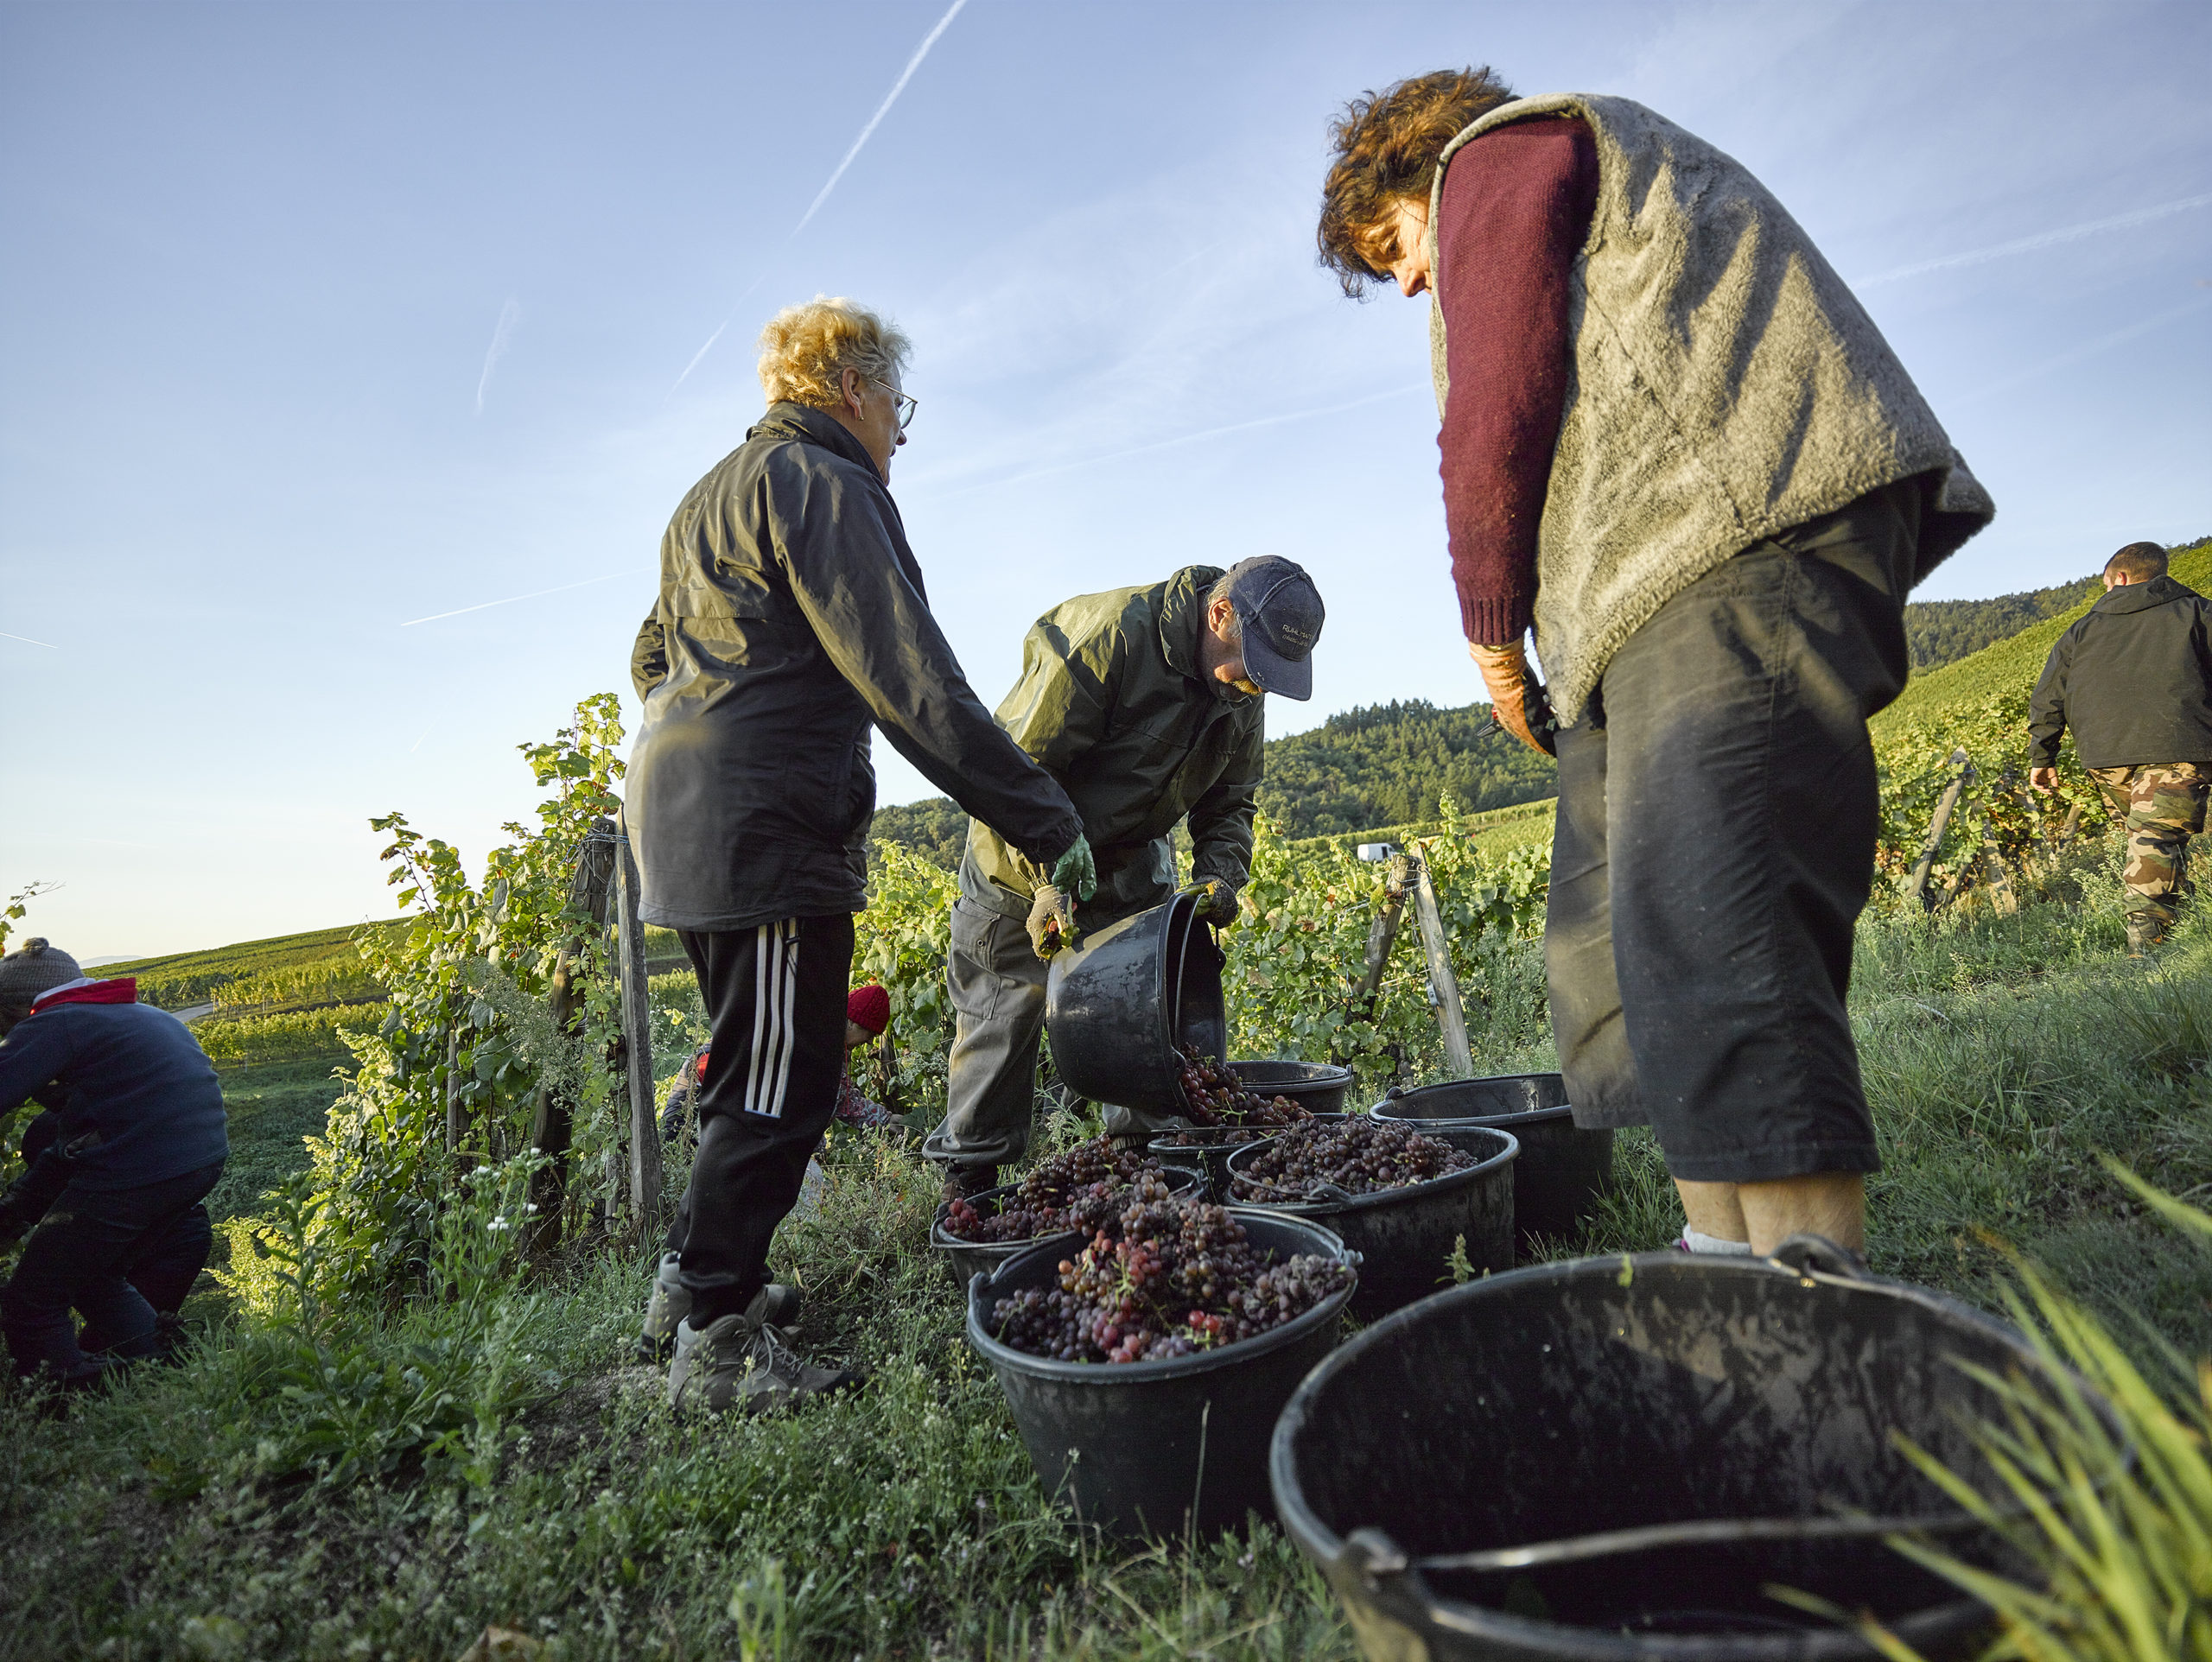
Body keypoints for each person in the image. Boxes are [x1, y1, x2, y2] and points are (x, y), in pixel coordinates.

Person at [1315, 71, 1995, 1259]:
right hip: (1642, 590)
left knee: (1720, 925)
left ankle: (1809, 1324)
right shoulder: (1522, 179)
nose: (1411, 281)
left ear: (1417, 169)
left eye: (1395, 246)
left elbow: (1498, 397)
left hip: (1725, 542)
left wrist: (1491, 625)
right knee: (1623, 954)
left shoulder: (1500, 154)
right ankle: (1721, 1263)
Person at [626, 296, 1091, 1413]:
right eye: (899, 405)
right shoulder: (828, 486)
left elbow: (650, 653)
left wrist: (703, 720)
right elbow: (913, 684)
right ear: (854, 389)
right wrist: (1043, 820)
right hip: (766, 822)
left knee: (744, 1066)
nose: (900, 430)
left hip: (684, 812)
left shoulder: (710, 496)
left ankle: (689, 1289)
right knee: (788, 1082)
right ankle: (722, 1345)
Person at [922, 558, 1323, 1198]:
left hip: (1131, 866)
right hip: (1019, 857)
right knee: (1003, 1019)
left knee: (1147, 1029)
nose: (1255, 687)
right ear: (1220, 615)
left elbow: (1232, 801)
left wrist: (1220, 876)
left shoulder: (1243, 692)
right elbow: (1017, 771)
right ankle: (968, 1192)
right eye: (1254, 667)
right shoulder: (1110, 638)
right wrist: (1049, 876)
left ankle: (1143, 1177)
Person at [0, 939, 229, 1386]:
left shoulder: (54, 1021)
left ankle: (62, 1400)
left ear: (16, 1008)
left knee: (30, 1302)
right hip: (196, 1165)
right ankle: (161, 1376)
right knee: (95, 1277)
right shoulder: (136, 1016)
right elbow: (69, 1144)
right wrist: (13, 1216)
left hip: (137, 1169)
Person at [2029, 540, 2211, 955]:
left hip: (2105, 755)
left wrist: (2043, 756)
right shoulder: (2199, 613)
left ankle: (2180, 933)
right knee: (2155, 843)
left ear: (2121, 578)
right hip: (2177, 747)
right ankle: (2149, 957)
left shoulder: (2081, 630)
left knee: (2150, 841)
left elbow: (2048, 697)